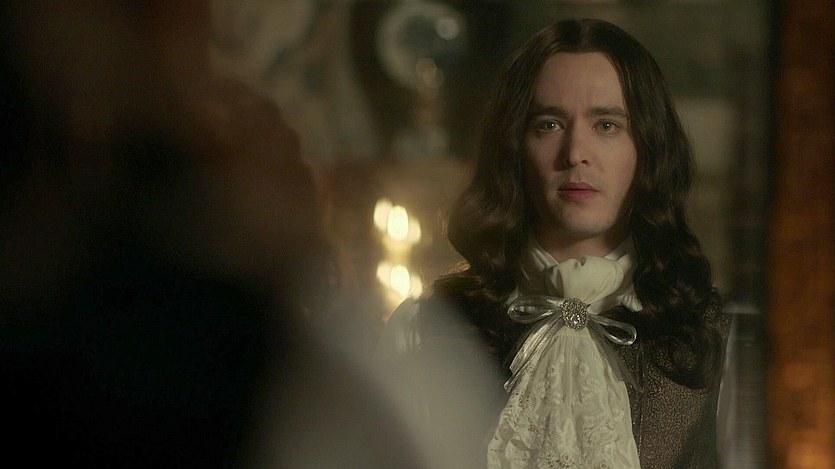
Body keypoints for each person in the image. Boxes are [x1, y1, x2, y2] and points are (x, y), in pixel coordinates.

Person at [379, 18, 730, 469]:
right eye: (549, 124)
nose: (575, 152)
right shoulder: (425, 329)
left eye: (607, 125)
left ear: (647, 148)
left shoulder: (712, 336)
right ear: (515, 147)